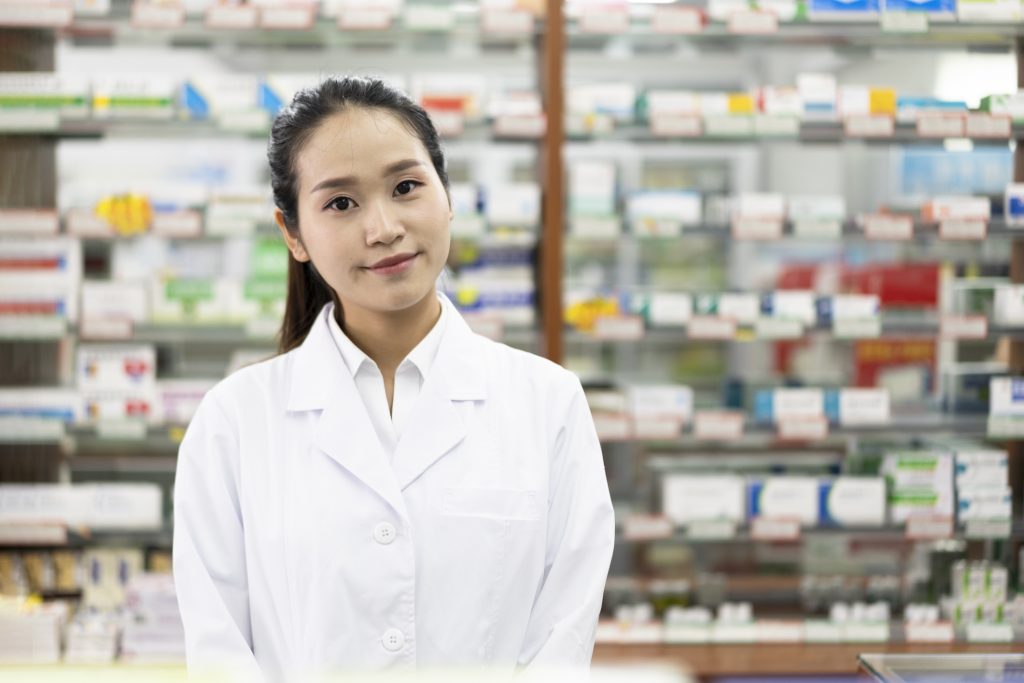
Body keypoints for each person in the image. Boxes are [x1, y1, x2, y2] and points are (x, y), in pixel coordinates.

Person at [172, 75, 615, 681]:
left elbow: (560, 644)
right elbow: (220, 651)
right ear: (292, 234)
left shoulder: (548, 403)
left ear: (447, 195)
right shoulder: (235, 420)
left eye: (406, 187)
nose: (382, 227)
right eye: (340, 203)